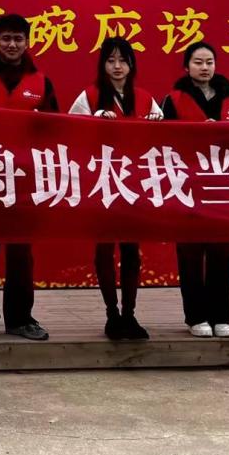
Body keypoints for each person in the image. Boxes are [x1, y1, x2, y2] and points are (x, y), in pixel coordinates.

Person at [0, 14, 56, 343]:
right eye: (6, 38)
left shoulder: (42, 83)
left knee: (20, 251)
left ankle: (20, 318)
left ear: (27, 42)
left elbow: (57, 130)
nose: (12, 44)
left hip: (25, 178)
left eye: (18, 38)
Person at [68, 37, 162, 340]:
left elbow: (165, 139)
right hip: (102, 182)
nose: (117, 66)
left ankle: (129, 314)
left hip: (135, 184)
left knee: (131, 249)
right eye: (111, 60)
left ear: (132, 64)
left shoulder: (145, 98)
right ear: (102, 65)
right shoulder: (90, 96)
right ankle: (112, 314)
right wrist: (95, 120)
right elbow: (68, 132)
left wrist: (156, 125)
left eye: (123, 60)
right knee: (105, 248)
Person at [161, 41, 229, 339]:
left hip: (223, 186)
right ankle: (196, 316)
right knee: (190, 254)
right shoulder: (173, 100)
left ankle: (221, 316)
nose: (204, 67)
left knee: (222, 254)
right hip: (187, 185)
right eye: (198, 62)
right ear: (186, 67)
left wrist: (223, 133)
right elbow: (162, 141)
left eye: (209, 62)